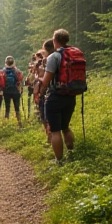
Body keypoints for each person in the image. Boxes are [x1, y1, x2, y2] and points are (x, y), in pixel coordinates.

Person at [39, 29, 75, 164]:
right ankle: (71, 154)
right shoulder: (73, 54)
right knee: (65, 127)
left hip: (55, 96)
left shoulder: (54, 57)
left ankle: (59, 161)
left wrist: (41, 89)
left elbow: (46, 81)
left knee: (55, 131)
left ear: (55, 41)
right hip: (71, 96)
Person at [2, 56, 23, 127]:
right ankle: (19, 123)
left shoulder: (3, 71)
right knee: (17, 107)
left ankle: (6, 123)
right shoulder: (17, 71)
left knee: (7, 107)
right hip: (15, 91)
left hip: (6, 91)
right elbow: (20, 79)